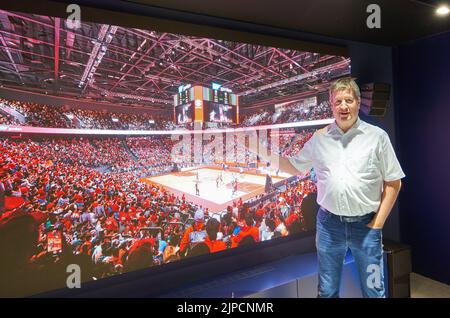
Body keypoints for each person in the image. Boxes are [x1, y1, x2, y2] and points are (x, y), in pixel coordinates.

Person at [272, 77, 405, 298]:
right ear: (331, 105)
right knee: (326, 291)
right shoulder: (319, 138)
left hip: (367, 227)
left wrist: (378, 223)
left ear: (358, 102)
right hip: (328, 226)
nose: (343, 106)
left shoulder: (377, 137)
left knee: (374, 290)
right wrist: (261, 150)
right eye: (338, 101)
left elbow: (393, 182)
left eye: (349, 100)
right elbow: (293, 167)